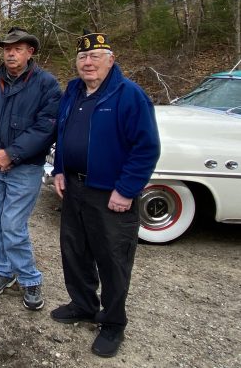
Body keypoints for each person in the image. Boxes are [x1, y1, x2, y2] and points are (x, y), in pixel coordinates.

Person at [50, 31, 160, 358]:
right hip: (74, 186)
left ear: (110, 60)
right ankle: (83, 304)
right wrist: (59, 168)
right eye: (83, 57)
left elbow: (146, 148)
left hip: (111, 193)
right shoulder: (73, 91)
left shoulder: (129, 95)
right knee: (75, 250)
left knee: (113, 260)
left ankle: (113, 323)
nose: (88, 62)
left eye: (95, 56)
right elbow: (63, 133)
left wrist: (126, 190)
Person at [0, 27, 61, 309]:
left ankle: (29, 278)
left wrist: (12, 154)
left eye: (18, 48)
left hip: (26, 167)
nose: (11, 53)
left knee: (12, 223)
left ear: (29, 52)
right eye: (7, 49)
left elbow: (47, 126)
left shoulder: (46, 84)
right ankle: (2, 271)